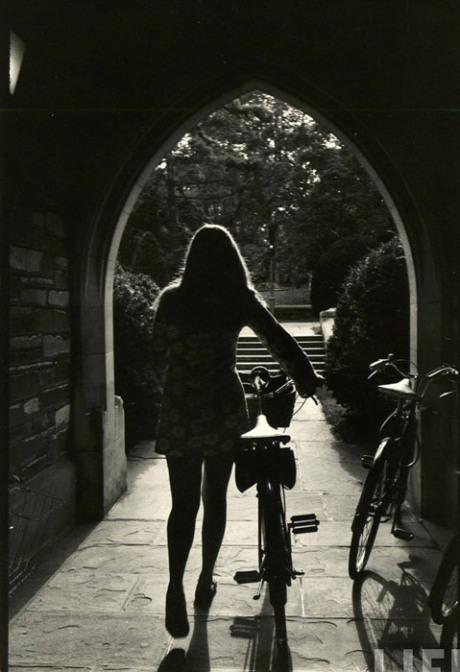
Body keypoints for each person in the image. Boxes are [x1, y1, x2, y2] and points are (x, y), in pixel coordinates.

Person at [151, 224, 322, 638]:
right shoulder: (237, 299)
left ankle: (174, 584)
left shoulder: (172, 300)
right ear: (232, 259)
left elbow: (155, 356)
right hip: (222, 405)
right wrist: (304, 376)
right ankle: (206, 576)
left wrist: (175, 384)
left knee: (183, 502)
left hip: (181, 406)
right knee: (215, 497)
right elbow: (278, 339)